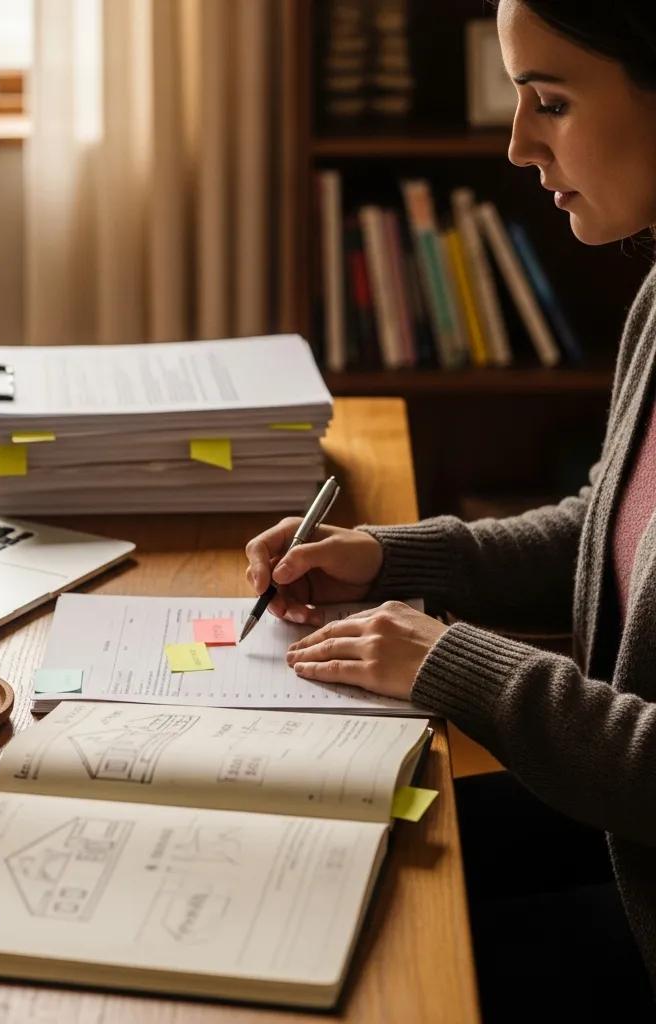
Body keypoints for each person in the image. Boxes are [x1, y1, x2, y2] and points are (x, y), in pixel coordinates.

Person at [245, 1, 656, 1018]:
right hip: (618, 819)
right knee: (315, 863)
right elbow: (607, 526)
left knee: (368, 980)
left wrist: (447, 660)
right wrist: (386, 559)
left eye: (549, 101)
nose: (517, 144)